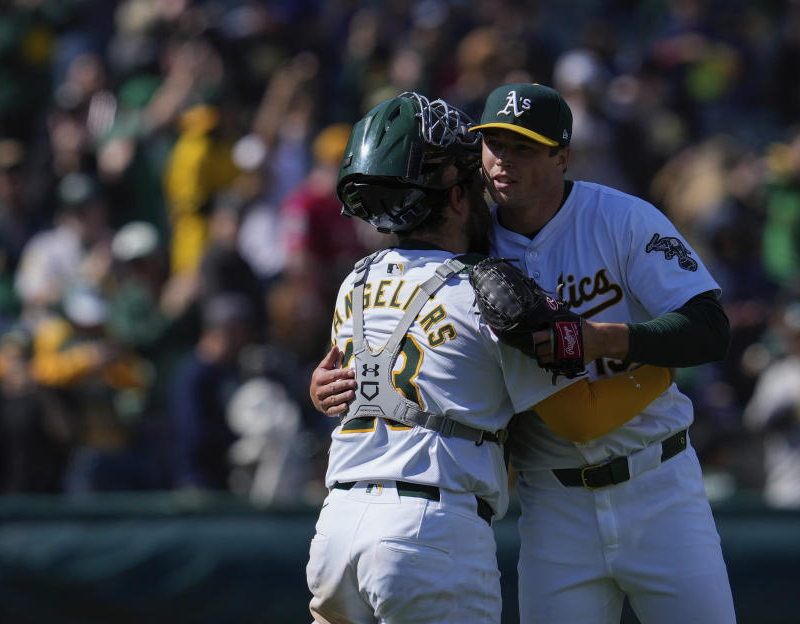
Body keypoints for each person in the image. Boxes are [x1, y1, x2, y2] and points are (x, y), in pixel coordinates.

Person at [310, 83, 736, 624]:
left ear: (563, 156)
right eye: (494, 145)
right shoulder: (468, 243)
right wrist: (329, 381)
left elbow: (710, 329)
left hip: (658, 479)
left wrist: (604, 339)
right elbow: (393, 335)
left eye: (525, 148)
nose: (503, 162)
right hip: (551, 497)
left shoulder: (621, 218)